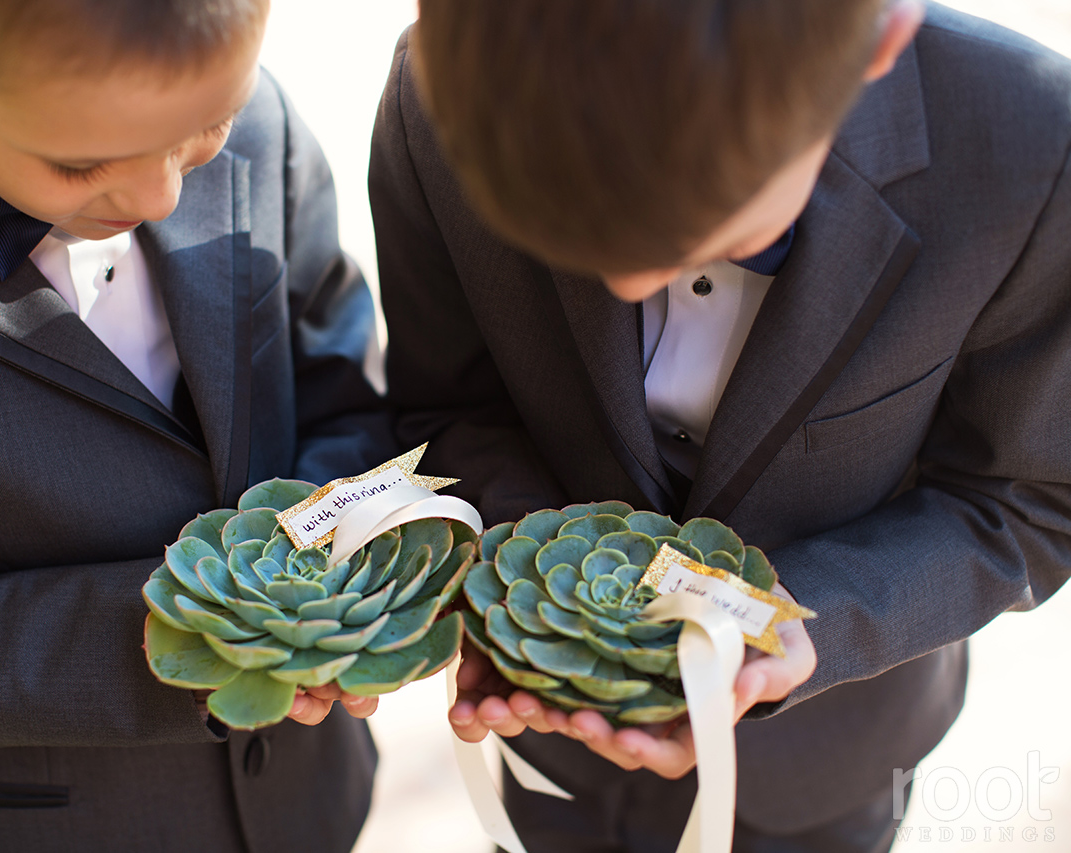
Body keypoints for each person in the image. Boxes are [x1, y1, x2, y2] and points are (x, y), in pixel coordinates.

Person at [370, 0, 1071, 850]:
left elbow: (1027, 496)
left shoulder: (1031, 147)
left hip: (830, 754)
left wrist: (817, 626)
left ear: (876, 41)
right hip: (555, 734)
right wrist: (533, 599)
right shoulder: (441, 95)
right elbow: (450, 405)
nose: (629, 283)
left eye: (710, 230)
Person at [0, 1, 395, 850]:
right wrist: (188, 635)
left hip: (314, 796)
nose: (163, 193)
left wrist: (341, 578)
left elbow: (342, 386)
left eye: (207, 128)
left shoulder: (260, 117)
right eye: (80, 165)